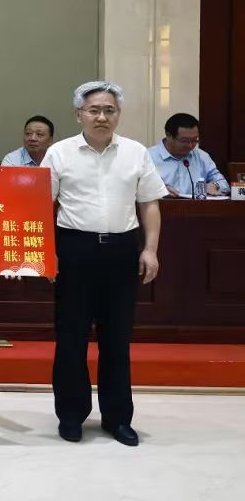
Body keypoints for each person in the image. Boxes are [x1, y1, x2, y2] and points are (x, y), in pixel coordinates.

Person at [43, 81, 167, 446]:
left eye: (109, 110)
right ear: (78, 114)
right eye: (94, 110)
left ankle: (117, 418)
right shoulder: (59, 153)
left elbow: (150, 204)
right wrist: (46, 252)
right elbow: (41, 206)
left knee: (117, 338)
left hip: (121, 251)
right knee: (71, 337)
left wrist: (150, 250)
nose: (101, 117)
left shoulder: (135, 152)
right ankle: (71, 415)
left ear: (118, 114)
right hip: (74, 249)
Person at [147, 113, 229, 198]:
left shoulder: (202, 157)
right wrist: (157, 190)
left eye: (194, 140)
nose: (190, 146)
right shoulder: (148, 157)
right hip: (162, 205)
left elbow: (224, 184)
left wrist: (216, 186)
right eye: (184, 141)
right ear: (168, 135)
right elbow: (139, 188)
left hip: (197, 206)